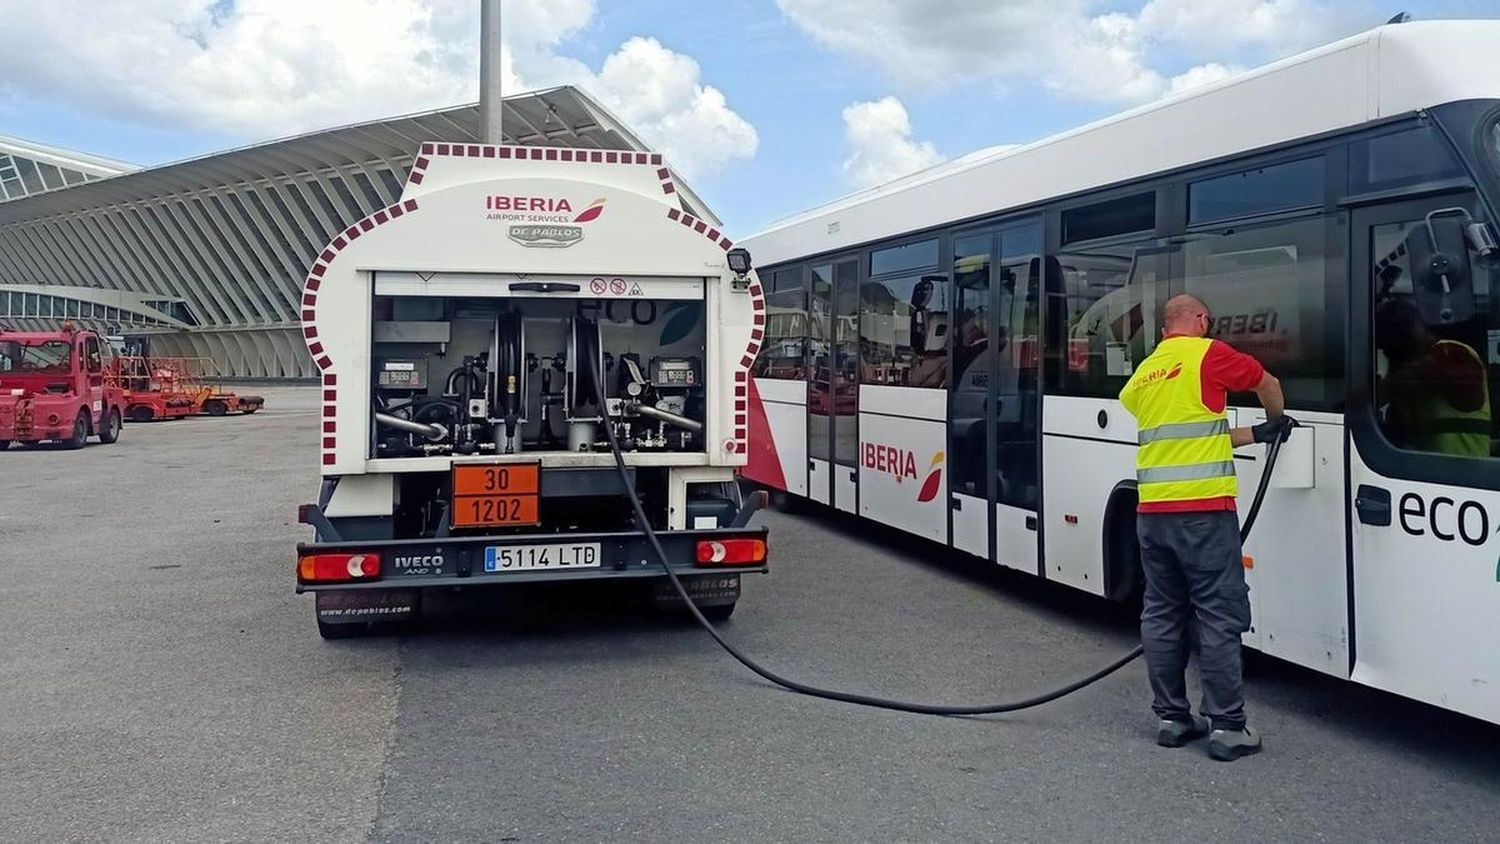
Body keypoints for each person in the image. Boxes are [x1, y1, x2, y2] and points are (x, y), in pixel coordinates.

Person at [1118, 294, 1291, 762]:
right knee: (1217, 612)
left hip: (1152, 514)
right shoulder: (1208, 353)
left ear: (1162, 330)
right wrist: (1276, 420)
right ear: (1201, 320)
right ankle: (1228, 726)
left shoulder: (1147, 373)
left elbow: (1197, 432)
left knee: (1162, 613)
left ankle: (1172, 719)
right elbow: (1267, 382)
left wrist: (1255, 435)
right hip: (1204, 513)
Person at [1374, 298, 1491, 458]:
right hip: (1429, 472)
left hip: (1462, 473)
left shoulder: (1451, 352)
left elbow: (1416, 376)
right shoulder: (1409, 382)